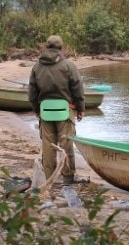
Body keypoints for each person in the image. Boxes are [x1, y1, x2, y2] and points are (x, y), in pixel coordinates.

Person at [28, 35, 86, 185]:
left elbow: (32, 93)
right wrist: (80, 108)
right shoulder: (68, 65)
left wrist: (37, 110)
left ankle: (49, 178)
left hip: (45, 111)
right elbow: (78, 88)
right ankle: (68, 177)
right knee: (66, 144)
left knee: (48, 146)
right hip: (65, 111)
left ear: (46, 47)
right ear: (61, 48)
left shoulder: (37, 67)